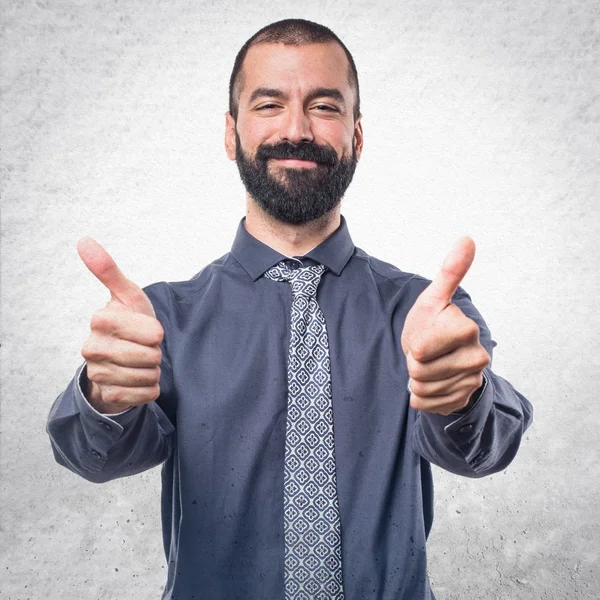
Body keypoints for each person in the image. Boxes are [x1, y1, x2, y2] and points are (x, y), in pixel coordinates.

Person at [46, 18, 533, 600]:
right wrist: (102, 397)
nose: (297, 129)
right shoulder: (159, 320)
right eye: (269, 104)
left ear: (357, 135)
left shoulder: (426, 313)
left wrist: (466, 399)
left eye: (325, 107)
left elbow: (486, 452)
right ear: (231, 134)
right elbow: (92, 460)